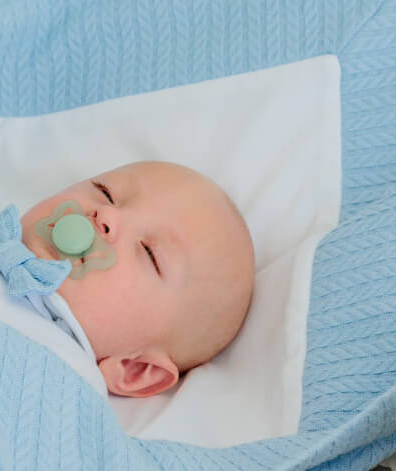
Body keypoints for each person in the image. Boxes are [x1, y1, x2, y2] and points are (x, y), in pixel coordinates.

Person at [19, 160, 255, 398]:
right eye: (105, 192)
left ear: (135, 369)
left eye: (149, 253)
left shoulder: (50, 387)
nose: (107, 215)